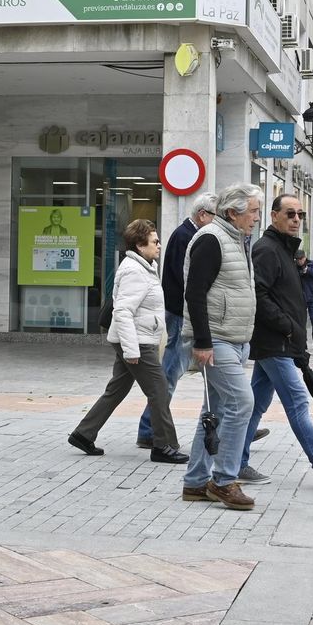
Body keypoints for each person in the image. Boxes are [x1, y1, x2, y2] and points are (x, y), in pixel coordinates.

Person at [236, 195, 313, 489]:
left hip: (281, 342)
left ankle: (236, 462)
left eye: (300, 214)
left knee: (255, 404)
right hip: (275, 342)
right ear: (274, 216)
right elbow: (259, 296)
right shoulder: (267, 250)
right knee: (298, 401)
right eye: (290, 214)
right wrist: (288, 327)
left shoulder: (286, 251)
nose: (296, 220)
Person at [70, 220, 187, 463]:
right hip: (137, 342)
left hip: (137, 338)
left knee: (116, 390)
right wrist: (131, 349)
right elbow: (122, 312)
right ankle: (163, 446)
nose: (159, 245)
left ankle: (83, 433)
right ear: (139, 244)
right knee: (159, 391)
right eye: (154, 241)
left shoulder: (144, 267)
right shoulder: (134, 271)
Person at [179, 183, 265, 511]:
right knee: (242, 402)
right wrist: (201, 342)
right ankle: (225, 480)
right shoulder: (211, 240)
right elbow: (195, 293)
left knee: (212, 412)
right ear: (233, 213)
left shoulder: (235, 239)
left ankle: (195, 482)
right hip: (215, 340)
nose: (257, 217)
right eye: (254, 211)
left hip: (233, 338)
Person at [135, 192, 215, 450]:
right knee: (170, 372)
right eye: (216, 216)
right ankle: (148, 428)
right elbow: (188, 281)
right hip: (181, 315)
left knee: (207, 373)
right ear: (203, 215)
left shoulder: (188, 234)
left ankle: (232, 424)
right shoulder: (187, 236)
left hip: (181, 313)